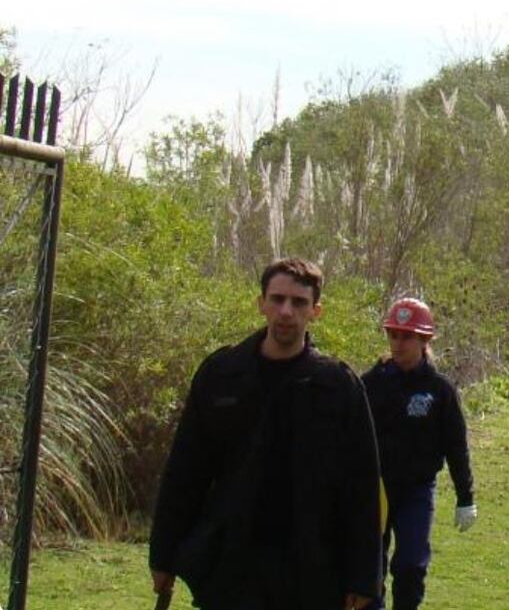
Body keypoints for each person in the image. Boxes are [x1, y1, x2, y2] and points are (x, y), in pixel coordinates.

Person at [149, 258, 383, 610]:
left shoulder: (338, 386)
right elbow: (186, 470)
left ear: (315, 311)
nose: (286, 311)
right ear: (261, 304)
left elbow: (362, 487)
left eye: (299, 302)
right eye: (277, 299)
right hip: (232, 562)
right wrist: (163, 554)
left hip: (311, 567)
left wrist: (365, 577)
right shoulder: (221, 374)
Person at [362, 298, 476, 610]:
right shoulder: (370, 384)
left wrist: (465, 496)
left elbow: (456, 445)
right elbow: (350, 439)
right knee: (369, 568)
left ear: (424, 340)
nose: (398, 343)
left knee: (411, 564)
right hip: (376, 490)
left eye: (407, 336)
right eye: (393, 335)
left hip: (416, 490)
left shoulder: (440, 391)